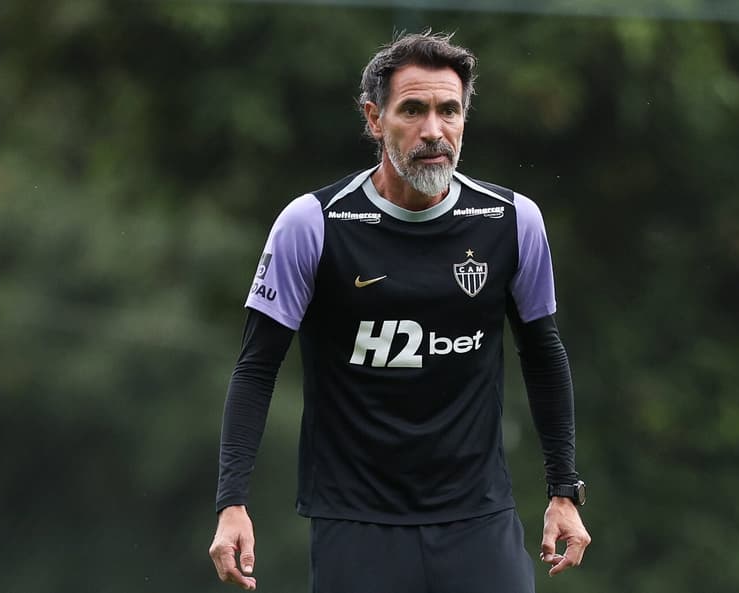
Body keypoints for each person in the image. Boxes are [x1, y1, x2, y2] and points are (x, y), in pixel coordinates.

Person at [208, 30, 591, 593]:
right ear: (374, 117)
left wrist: (564, 490)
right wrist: (231, 502)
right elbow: (256, 367)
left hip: (478, 518)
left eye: (449, 110)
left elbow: (543, 354)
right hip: (355, 521)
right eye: (412, 109)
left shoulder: (513, 221)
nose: (433, 131)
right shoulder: (312, 224)